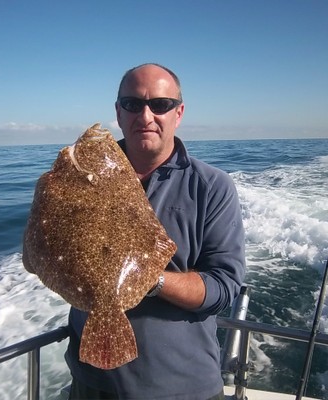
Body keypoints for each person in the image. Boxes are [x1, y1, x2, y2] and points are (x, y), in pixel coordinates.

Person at [65, 63, 246, 400]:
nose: (145, 115)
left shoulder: (212, 186)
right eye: (133, 104)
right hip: (91, 383)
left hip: (181, 387)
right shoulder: (79, 177)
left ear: (178, 113)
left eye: (160, 104)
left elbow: (224, 288)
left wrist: (148, 278)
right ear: (118, 113)